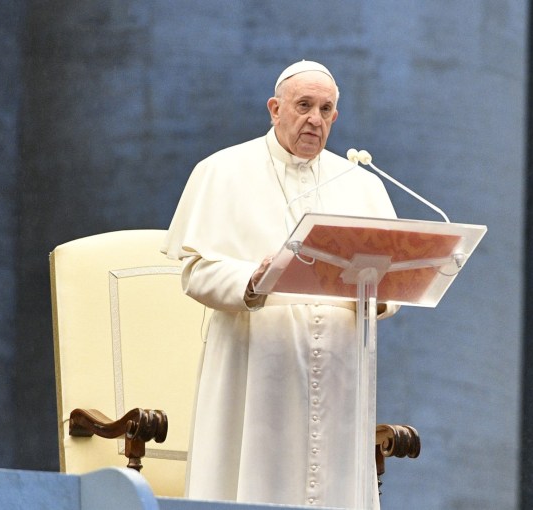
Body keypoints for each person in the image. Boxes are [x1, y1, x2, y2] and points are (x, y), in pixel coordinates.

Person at [161, 60, 397, 508]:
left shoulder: (362, 187)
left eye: (326, 109)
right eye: (303, 105)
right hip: (256, 368)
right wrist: (251, 280)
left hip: (340, 378)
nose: (315, 119)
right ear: (275, 108)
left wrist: (384, 295)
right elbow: (195, 272)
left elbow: (393, 282)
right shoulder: (223, 171)